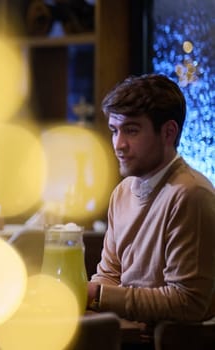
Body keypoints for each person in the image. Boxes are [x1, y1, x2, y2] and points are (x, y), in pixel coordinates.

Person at [87, 74, 215, 323]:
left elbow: (187, 302)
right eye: (115, 131)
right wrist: (94, 294)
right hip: (125, 335)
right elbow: (108, 275)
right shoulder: (122, 191)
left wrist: (97, 295)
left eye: (131, 130)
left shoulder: (190, 194)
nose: (119, 144)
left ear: (168, 133)